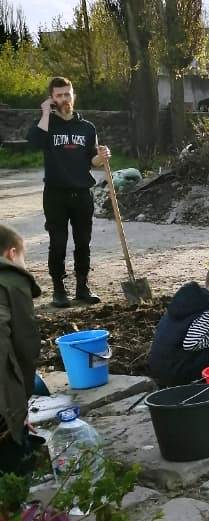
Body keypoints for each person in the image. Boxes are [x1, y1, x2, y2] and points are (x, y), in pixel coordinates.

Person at [26, 77, 111, 308]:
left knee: (83, 242)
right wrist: (45, 113)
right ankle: (59, 290)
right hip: (55, 194)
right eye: (59, 95)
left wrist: (102, 156)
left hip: (82, 193)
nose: (65, 99)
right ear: (52, 99)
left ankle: (82, 288)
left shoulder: (87, 127)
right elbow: (33, 141)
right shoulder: (47, 124)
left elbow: (91, 160)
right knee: (58, 243)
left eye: (68, 94)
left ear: (73, 95)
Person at [147, 260, 209, 387]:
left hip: (159, 366)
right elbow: (191, 343)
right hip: (177, 374)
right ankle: (206, 380)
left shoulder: (190, 298)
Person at [0, 225, 42, 476]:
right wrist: (17, 413)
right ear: (11, 253)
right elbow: (26, 349)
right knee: (12, 468)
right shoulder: (11, 279)